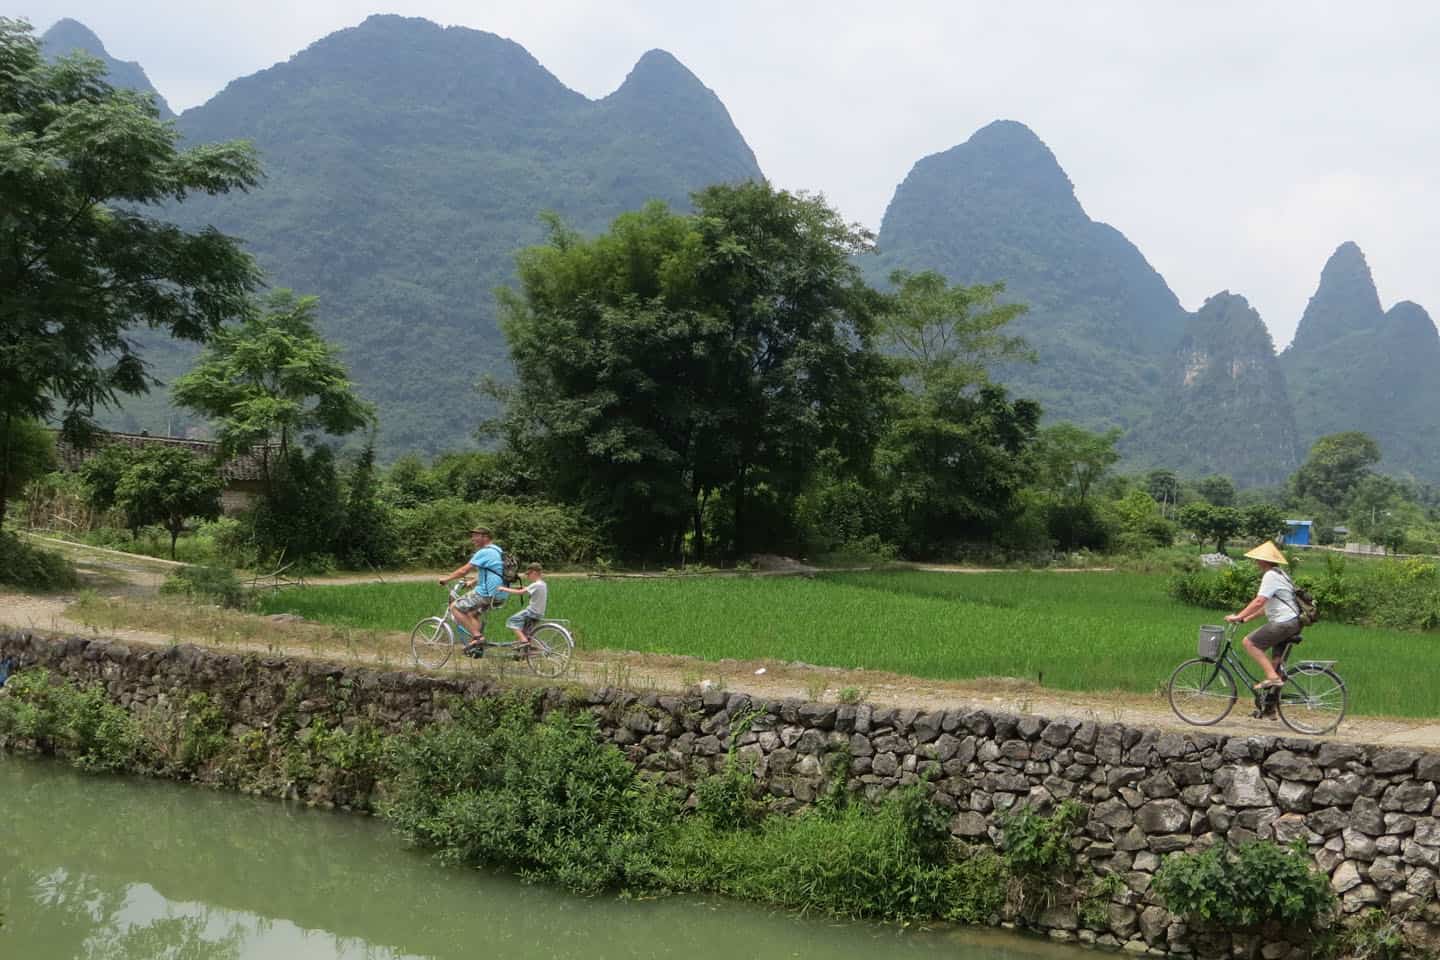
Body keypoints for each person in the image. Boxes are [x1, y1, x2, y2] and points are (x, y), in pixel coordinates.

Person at [1225, 540, 1301, 691]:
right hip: (1293, 622)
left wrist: (1238, 616)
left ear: (1263, 560)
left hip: (1284, 622)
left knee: (1249, 643)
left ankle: (1272, 678)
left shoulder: (1270, 576)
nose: (1256, 562)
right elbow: (1266, 608)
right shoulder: (1282, 574)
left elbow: (1260, 601)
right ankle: (1269, 708)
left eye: (1257, 559)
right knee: (1275, 666)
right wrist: (1247, 619)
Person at [438, 527, 506, 654]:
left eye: (476, 536)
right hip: (500, 594)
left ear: (485, 537)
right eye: (472, 536)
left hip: (487, 593)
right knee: (472, 614)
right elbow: (491, 570)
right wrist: (473, 582)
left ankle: (478, 638)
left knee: (455, 607)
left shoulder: (484, 552)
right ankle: (476, 647)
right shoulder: (497, 550)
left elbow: (464, 570)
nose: (473, 539)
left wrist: (447, 579)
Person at [496, 562, 547, 652]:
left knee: (511, 621)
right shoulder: (542, 584)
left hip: (531, 612)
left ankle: (524, 642)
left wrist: (503, 588)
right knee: (526, 633)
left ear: (534, 573)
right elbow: (526, 589)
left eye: (529, 574)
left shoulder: (536, 584)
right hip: (539, 614)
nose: (528, 577)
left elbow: (521, 592)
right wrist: (517, 587)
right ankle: (525, 652)